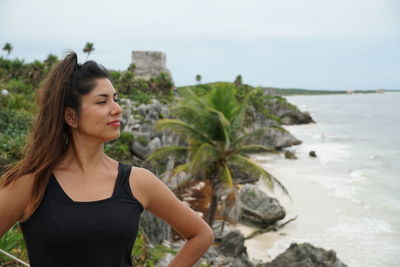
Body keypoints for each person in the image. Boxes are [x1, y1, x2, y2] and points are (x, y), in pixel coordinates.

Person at [0, 51, 214, 267]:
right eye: (102, 102)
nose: (117, 109)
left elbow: (201, 234)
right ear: (71, 116)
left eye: (115, 99)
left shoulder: (138, 181)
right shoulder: (31, 185)